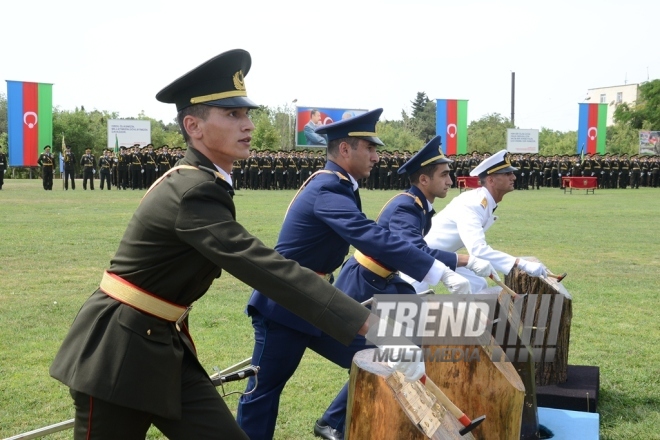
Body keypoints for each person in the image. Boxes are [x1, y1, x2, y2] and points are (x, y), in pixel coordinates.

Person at [49, 49, 383, 440]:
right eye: (233, 114)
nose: (249, 126)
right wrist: (362, 320)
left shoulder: (203, 183)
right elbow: (262, 265)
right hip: (115, 354)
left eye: (247, 114)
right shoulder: (192, 190)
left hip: (159, 346)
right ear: (194, 126)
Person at [237, 111, 491, 440]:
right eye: (369, 148)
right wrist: (438, 268)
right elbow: (371, 237)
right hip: (285, 304)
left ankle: (347, 424)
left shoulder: (341, 186)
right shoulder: (328, 188)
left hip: (318, 301)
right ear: (345, 150)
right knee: (263, 393)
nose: (376, 156)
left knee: (385, 354)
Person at [404, 150, 548, 294]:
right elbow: (477, 249)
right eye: (507, 174)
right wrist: (520, 264)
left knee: (478, 284)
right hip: (419, 257)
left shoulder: (483, 202)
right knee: (410, 306)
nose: (514, 177)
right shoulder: (473, 203)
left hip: (444, 254)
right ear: (491, 180)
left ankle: (478, 315)